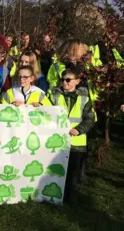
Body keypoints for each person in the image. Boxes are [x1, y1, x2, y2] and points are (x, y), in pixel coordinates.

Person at [47, 67, 95, 202]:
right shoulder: (53, 95)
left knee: (72, 173)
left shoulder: (85, 98)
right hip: (56, 140)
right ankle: (52, 196)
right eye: (62, 80)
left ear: (77, 81)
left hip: (76, 142)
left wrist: (79, 130)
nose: (65, 83)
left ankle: (69, 199)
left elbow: (91, 118)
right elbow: (45, 111)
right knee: (54, 170)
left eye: (68, 80)